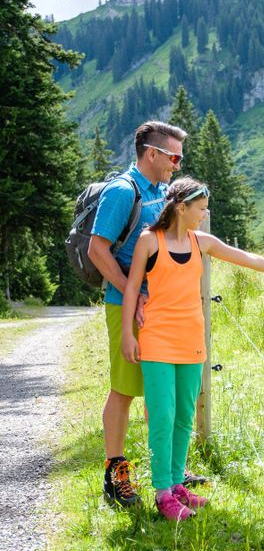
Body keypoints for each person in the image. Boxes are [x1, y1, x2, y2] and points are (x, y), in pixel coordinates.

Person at [121, 177, 264, 520]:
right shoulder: (149, 241)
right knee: (162, 416)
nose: (205, 214)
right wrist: (127, 334)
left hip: (192, 340)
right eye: (201, 208)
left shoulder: (202, 242)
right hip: (156, 339)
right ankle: (163, 493)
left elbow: (247, 258)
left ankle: (177, 485)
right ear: (182, 208)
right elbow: (132, 288)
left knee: (184, 417)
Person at [89, 121, 190, 507]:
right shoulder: (121, 191)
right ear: (152, 154)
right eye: (173, 157)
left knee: (158, 390)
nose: (176, 165)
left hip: (160, 305)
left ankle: (166, 473)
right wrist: (131, 293)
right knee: (125, 388)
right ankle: (116, 475)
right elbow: (98, 250)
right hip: (126, 306)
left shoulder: (162, 191)